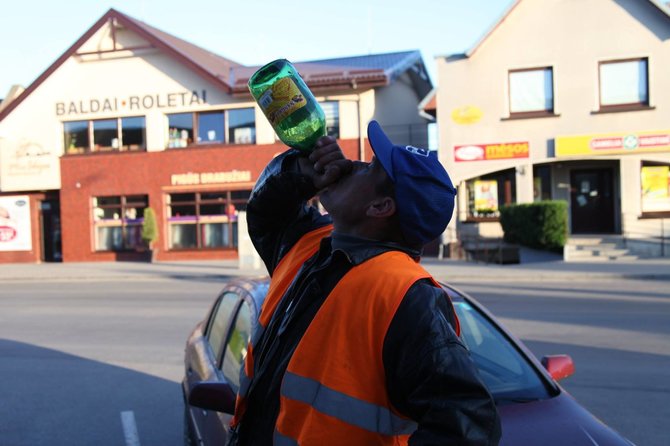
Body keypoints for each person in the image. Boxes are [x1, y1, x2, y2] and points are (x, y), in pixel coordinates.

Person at [229, 120, 501, 445]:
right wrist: (303, 173)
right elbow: (265, 211)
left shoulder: (406, 296)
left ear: (380, 207)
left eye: (369, 168)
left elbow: (468, 425)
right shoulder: (309, 242)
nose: (353, 164)